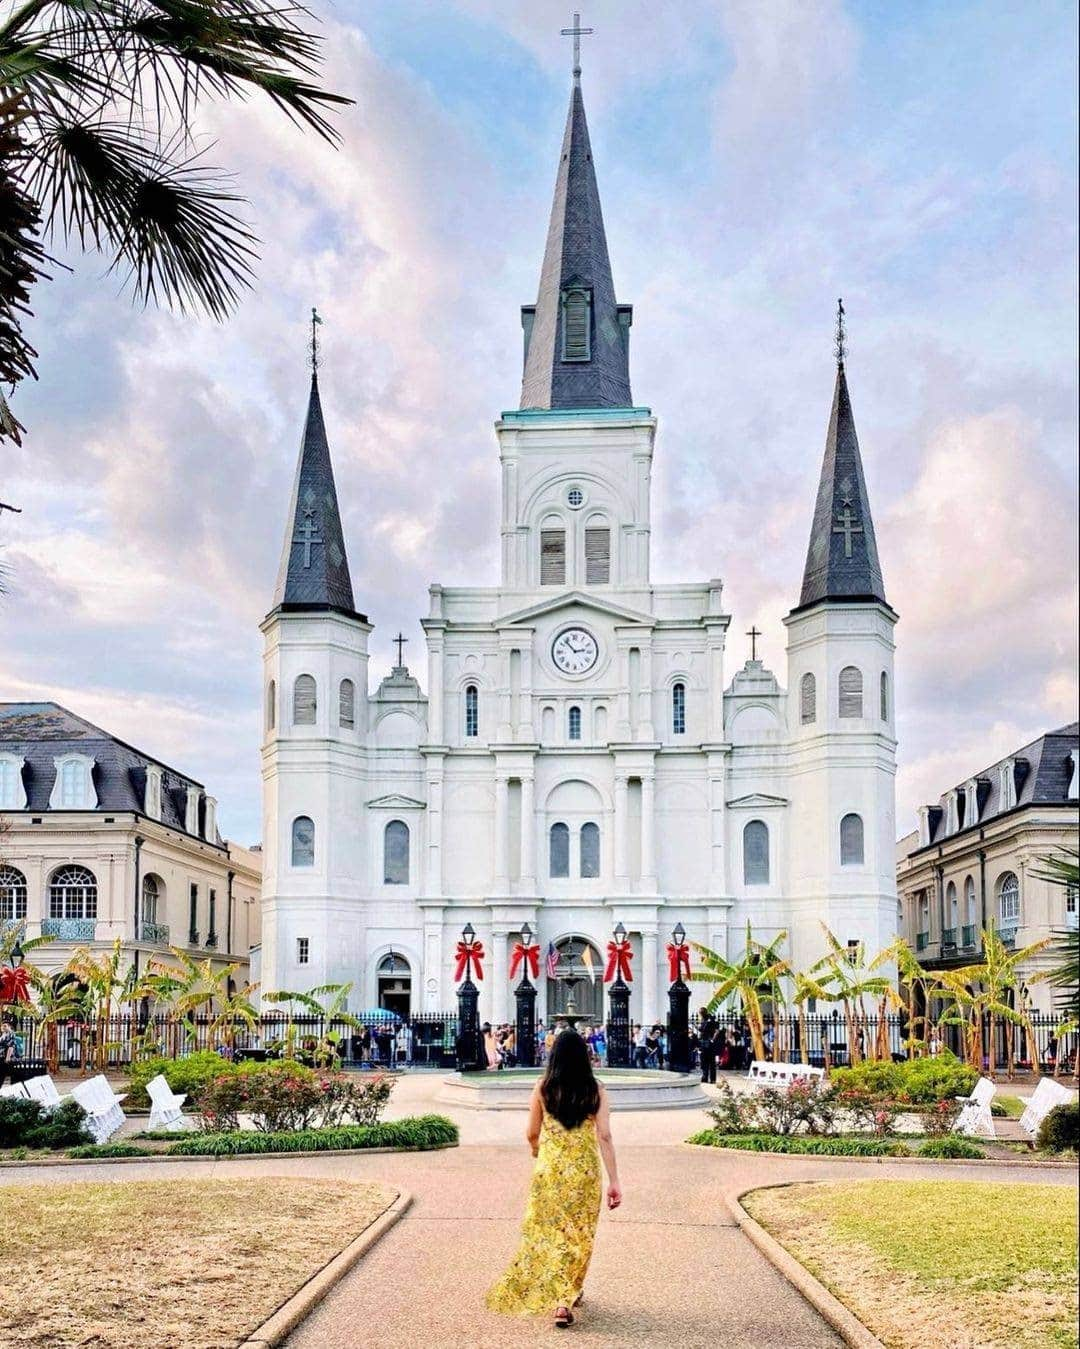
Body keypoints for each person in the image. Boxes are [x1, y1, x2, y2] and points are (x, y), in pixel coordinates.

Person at [487, 1030, 621, 1329]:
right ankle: (566, 1295)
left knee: (551, 1231)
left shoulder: (543, 1087)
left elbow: (531, 1132)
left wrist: (538, 1151)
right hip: (585, 1173)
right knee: (580, 1233)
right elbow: (605, 1136)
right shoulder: (596, 1089)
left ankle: (562, 1296)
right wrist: (614, 1180)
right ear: (585, 1056)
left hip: (550, 1170)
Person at [0, 1017, 20, 1088]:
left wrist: (7, 1058)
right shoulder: (4, 1034)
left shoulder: (10, 1034)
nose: (3, 1027)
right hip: (3, 1058)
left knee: (8, 1075)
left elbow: (11, 1046)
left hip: (8, 1058)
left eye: (5, 1026)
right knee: (3, 1075)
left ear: (9, 1026)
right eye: (2, 1026)